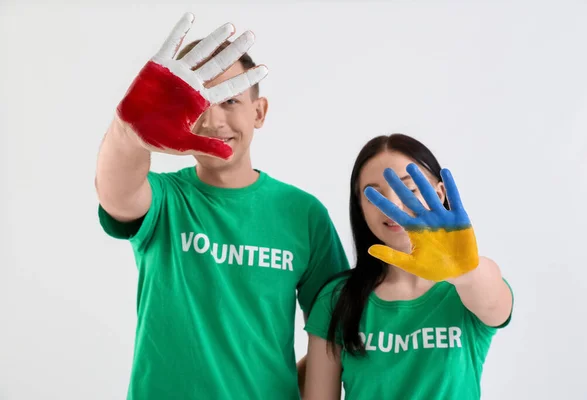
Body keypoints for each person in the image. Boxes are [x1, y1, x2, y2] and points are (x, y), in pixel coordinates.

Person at [95, 12, 349, 400]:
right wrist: (128, 131)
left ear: (259, 111)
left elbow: (336, 334)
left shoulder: (304, 215)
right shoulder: (165, 200)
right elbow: (116, 193)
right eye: (198, 103)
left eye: (229, 99)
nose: (213, 120)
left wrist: (277, 385)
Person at [302, 133, 514, 400]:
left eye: (410, 190)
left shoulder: (467, 286)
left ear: (438, 194)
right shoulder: (336, 299)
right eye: (374, 196)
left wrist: (464, 271)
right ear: (359, 206)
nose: (393, 207)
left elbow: (496, 307)